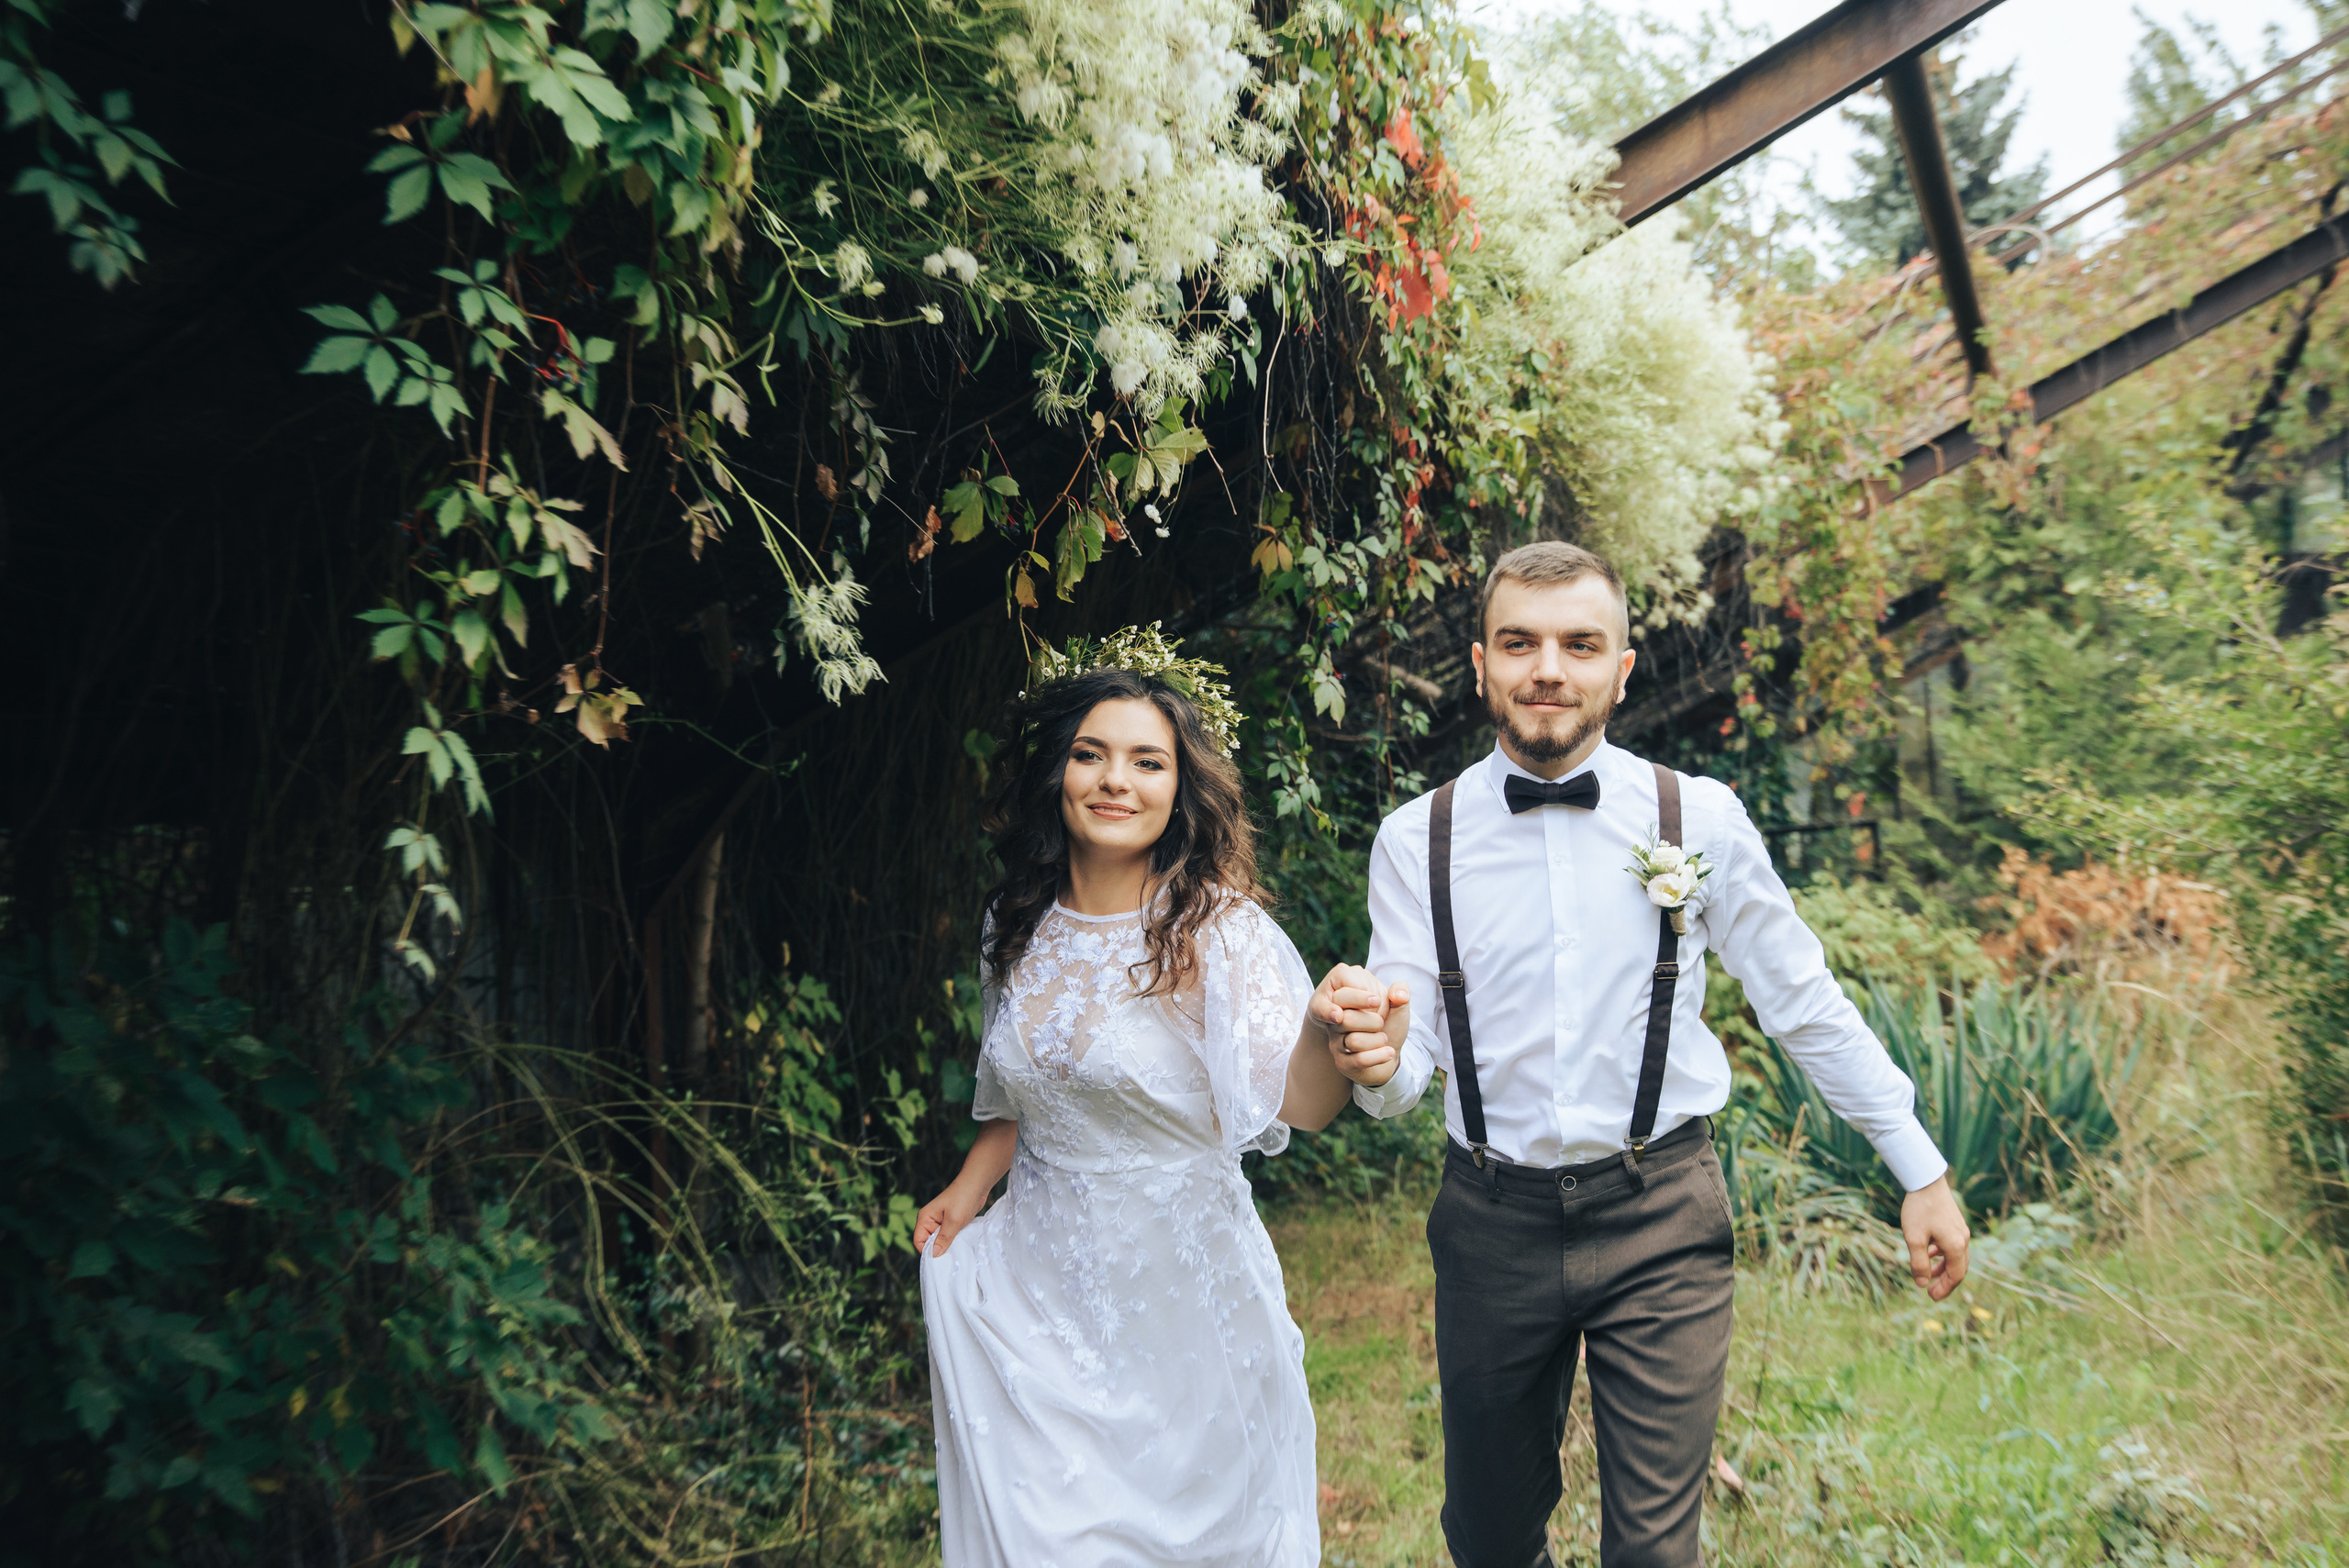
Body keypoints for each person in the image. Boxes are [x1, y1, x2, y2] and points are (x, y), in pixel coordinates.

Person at [1346, 542, 1972, 1568]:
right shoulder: (1417, 838)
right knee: (1490, 1538)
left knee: (1652, 1550)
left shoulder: (1699, 818)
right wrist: (1377, 1066)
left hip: (1661, 1214)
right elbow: (1405, 1065)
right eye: (1520, 642)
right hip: (1490, 1219)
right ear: (1479, 664)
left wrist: (1919, 1166)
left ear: (1621, 668)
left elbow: (1800, 1001)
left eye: (1579, 643)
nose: (1548, 666)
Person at [913, 635, 1400, 1568]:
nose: (1114, 780)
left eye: (1147, 760)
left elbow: (1296, 1102)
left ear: (1181, 789)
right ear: (1059, 771)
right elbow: (1025, 1081)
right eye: (1091, 753)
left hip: (1181, 1297)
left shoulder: (1216, 928)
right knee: (1052, 1536)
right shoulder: (1015, 920)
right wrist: (972, 1181)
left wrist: (1323, 1031)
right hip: (1035, 1285)